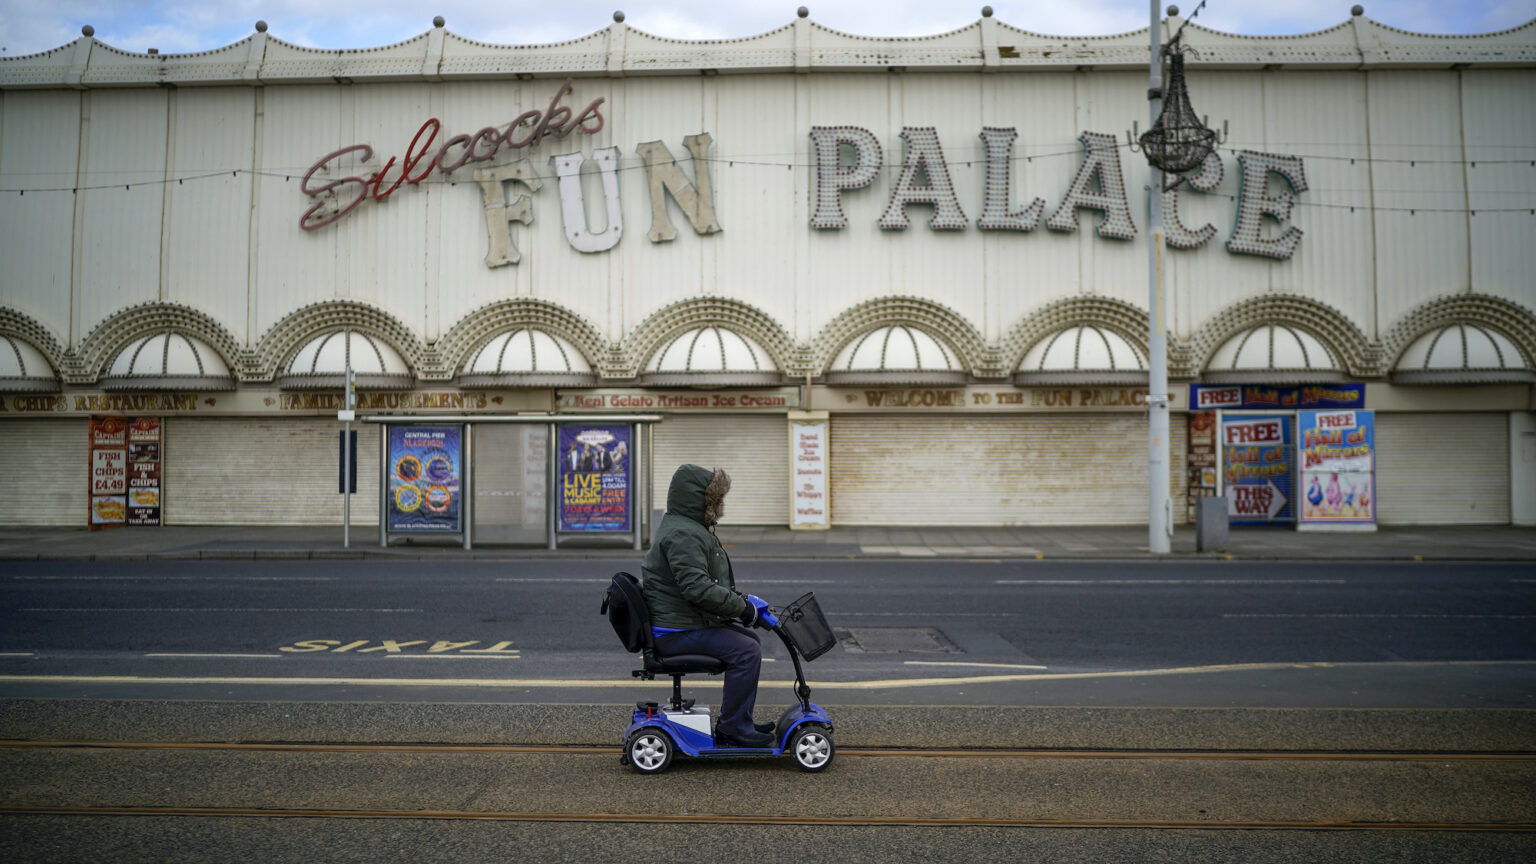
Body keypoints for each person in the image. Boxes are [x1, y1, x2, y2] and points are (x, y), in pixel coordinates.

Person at [641, 463, 774, 747]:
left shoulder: (687, 527)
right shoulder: (684, 534)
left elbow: (706, 583)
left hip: (679, 623)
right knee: (747, 650)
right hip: (674, 632)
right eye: (716, 500)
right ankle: (734, 729)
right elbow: (697, 588)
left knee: (748, 639)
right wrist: (741, 608)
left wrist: (742, 603)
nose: (721, 505)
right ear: (699, 499)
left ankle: (739, 722)